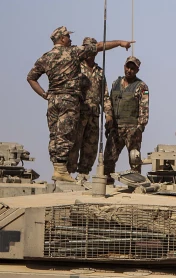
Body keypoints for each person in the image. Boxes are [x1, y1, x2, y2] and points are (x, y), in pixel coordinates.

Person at [27, 26, 133, 182]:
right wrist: (120, 43)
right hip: (69, 101)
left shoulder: (45, 57)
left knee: (56, 135)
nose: (70, 40)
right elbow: (98, 47)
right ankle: (62, 170)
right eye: (68, 37)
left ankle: (61, 169)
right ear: (62, 38)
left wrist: (45, 94)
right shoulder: (72, 53)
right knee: (67, 136)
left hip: (54, 101)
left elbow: (31, 77)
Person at [67, 37, 111, 182]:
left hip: (94, 113)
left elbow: (104, 95)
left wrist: (108, 114)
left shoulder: (99, 71)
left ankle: (83, 174)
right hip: (79, 112)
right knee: (74, 143)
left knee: (90, 145)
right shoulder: (77, 67)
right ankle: (67, 173)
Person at [104, 56, 149, 181]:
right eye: (128, 67)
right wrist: (109, 120)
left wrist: (140, 127)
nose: (129, 70)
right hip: (116, 128)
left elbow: (144, 108)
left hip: (132, 128)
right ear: (124, 67)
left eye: (133, 68)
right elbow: (109, 103)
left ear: (137, 70)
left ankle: (135, 186)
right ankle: (107, 185)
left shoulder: (141, 87)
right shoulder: (116, 84)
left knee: (134, 160)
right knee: (108, 159)